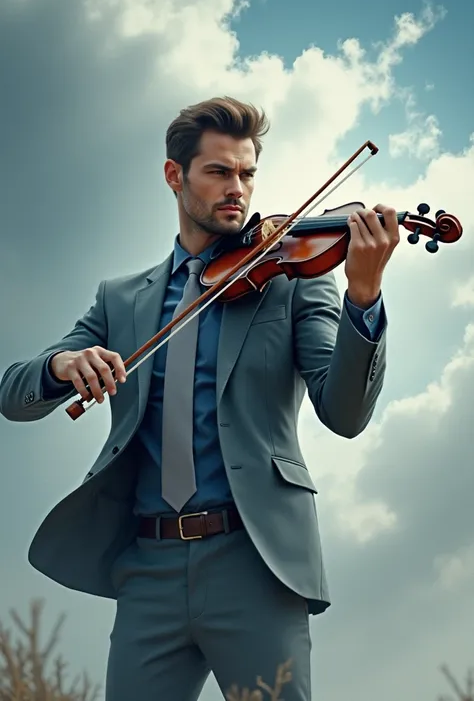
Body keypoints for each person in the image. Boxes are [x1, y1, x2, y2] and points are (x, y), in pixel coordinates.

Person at [0, 96, 399, 700]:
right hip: (147, 569)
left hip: (256, 561)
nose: (237, 188)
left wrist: (363, 296)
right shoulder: (122, 299)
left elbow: (344, 414)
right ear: (174, 175)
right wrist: (63, 363)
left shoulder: (295, 280)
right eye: (218, 172)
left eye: (246, 173)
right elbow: (14, 394)